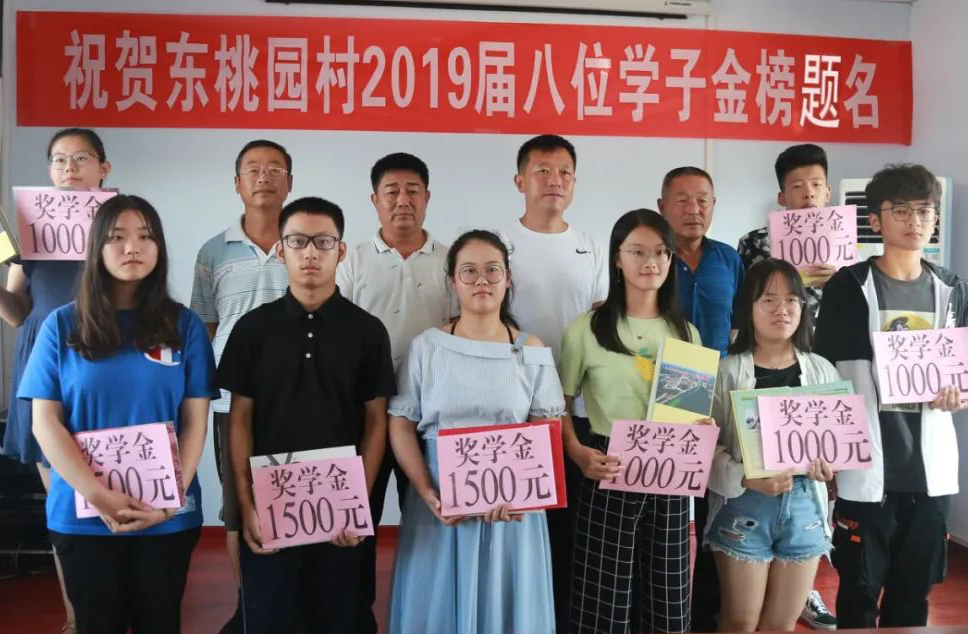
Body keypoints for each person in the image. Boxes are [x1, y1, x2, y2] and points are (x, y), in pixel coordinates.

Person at [18, 194, 217, 634]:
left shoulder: (184, 326)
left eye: (146, 237)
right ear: (96, 248)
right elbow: (45, 423)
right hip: (83, 514)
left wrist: (169, 502)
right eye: (117, 237)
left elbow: (195, 423)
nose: (132, 248)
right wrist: (98, 494)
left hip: (167, 517)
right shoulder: (61, 325)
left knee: (159, 623)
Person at [217, 196, 396, 634]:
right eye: (298, 241)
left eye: (323, 241)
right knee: (271, 617)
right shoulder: (252, 329)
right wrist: (246, 505)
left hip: (339, 507)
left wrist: (358, 504)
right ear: (281, 250)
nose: (310, 252)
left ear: (341, 250)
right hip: (271, 503)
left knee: (341, 617)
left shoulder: (368, 331)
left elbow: (377, 422)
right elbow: (238, 420)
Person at [387, 229, 564, 634]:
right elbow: (401, 421)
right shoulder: (426, 347)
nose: (481, 280)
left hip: (513, 507)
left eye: (492, 270)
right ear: (453, 280)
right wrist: (426, 491)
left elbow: (547, 424)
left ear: (508, 279)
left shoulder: (532, 348)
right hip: (439, 503)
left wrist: (527, 494)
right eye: (469, 271)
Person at [815, 164, 967, 628]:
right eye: (900, 210)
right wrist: (825, 451)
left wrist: (959, 393)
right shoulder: (848, 287)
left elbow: (961, 369)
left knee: (913, 598)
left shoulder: (951, 289)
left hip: (929, 473)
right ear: (875, 221)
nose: (914, 220)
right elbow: (824, 373)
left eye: (924, 211)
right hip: (866, 471)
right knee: (858, 594)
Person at [560, 209, 701, 634]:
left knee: (668, 595)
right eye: (637, 252)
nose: (650, 262)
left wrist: (702, 429)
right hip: (608, 464)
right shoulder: (587, 329)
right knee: (605, 597)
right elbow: (557, 404)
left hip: (669, 472)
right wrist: (577, 451)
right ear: (617, 259)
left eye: (660, 252)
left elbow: (689, 413)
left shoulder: (686, 333)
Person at [336, 152, 454, 633]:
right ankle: (354, 616)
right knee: (357, 517)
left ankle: (425, 615)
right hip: (362, 414)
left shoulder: (451, 261)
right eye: (392, 191)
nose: (403, 200)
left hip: (427, 418)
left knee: (427, 517)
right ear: (374, 200)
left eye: (412, 191)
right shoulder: (352, 261)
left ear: (428, 197)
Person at [0, 127, 111, 634]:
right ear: (49, 171)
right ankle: (75, 618)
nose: (70, 168)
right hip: (43, 369)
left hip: (102, 368)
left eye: (81, 158)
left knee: (110, 489)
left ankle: (115, 609)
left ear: (103, 169)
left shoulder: (120, 227)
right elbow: (17, 313)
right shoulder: (31, 233)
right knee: (63, 502)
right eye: (60, 160)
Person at [500, 134, 608, 629]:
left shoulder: (590, 246)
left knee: (569, 531)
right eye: (542, 171)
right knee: (518, 525)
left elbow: (601, 323)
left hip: (573, 407)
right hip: (512, 409)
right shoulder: (499, 245)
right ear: (520, 180)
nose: (554, 180)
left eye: (564, 172)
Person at [189, 139, 292, 633]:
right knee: (237, 506)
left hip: (298, 400)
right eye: (253, 169)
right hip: (233, 403)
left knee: (294, 500)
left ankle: (293, 603)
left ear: (290, 182)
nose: (264, 176)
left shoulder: (306, 242)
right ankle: (249, 605)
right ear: (237, 184)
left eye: (274, 169)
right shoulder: (213, 252)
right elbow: (205, 329)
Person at [736, 142, 838, 629]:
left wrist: (840, 278)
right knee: (760, 463)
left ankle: (804, 585)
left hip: (820, 368)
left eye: (816, 184)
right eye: (797, 186)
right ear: (782, 197)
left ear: (828, 191)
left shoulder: (846, 247)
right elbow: (747, 296)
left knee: (816, 479)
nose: (808, 194)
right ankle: (749, 581)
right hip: (763, 364)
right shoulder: (756, 242)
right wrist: (793, 277)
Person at [707, 258, 838, 631]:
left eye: (792, 300)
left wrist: (829, 466)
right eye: (768, 300)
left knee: (781, 625)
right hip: (743, 506)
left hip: (806, 508)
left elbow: (836, 443)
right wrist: (746, 477)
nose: (782, 309)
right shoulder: (727, 372)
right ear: (748, 308)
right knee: (740, 622)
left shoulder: (822, 370)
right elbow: (706, 446)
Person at [656, 165, 744, 632]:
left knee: (717, 501)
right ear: (662, 207)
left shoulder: (728, 259)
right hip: (668, 387)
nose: (694, 209)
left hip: (722, 385)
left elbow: (743, 323)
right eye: (683, 199)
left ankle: (707, 611)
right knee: (670, 504)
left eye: (703, 200)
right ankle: (662, 610)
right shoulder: (652, 257)